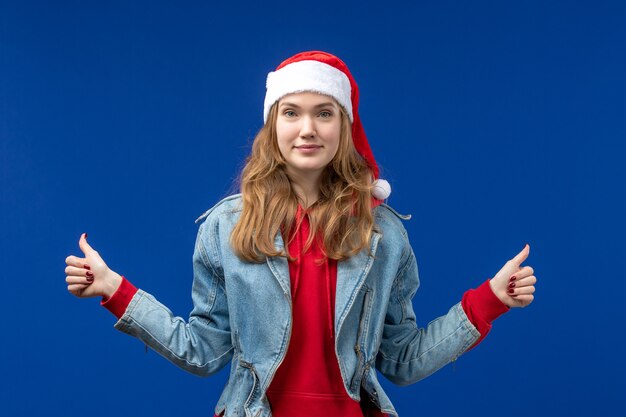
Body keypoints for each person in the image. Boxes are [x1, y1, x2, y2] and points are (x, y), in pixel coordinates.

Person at [64, 51, 537, 417]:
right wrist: (115, 291)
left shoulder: (383, 233)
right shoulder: (227, 227)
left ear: (344, 125)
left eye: (324, 113)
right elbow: (203, 352)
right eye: (291, 112)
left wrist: (490, 300)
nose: (307, 129)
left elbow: (402, 361)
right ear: (273, 125)